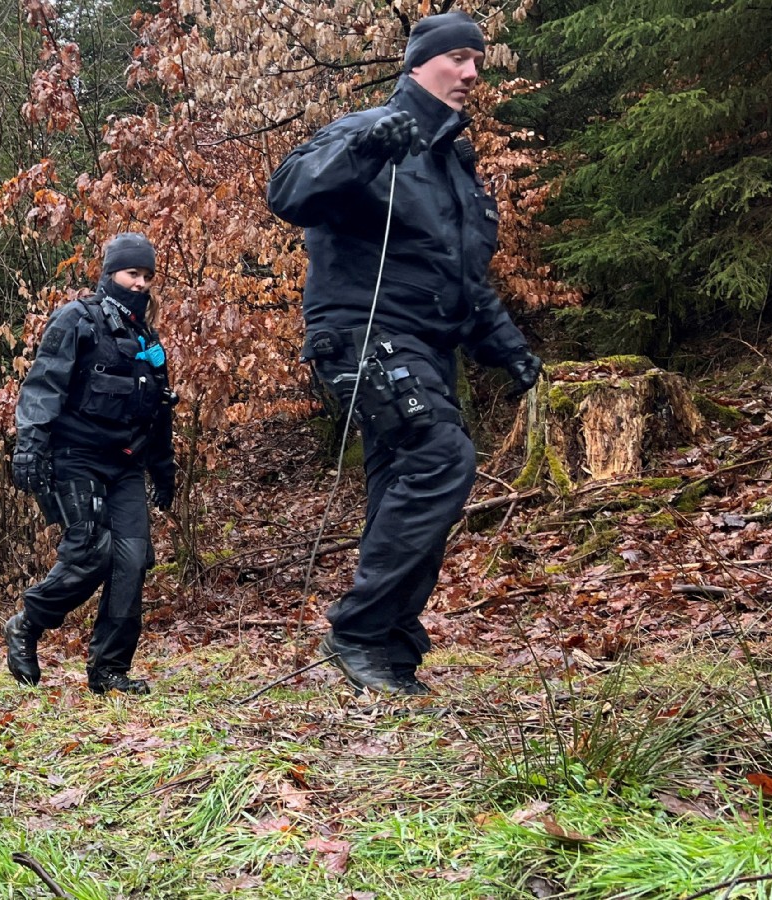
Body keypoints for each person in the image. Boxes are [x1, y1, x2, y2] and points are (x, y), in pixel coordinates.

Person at [267, 11, 542, 695]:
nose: (472, 73)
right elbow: (290, 192)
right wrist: (367, 150)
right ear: (419, 64)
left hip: (427, 344)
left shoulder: (454, 165)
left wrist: (510, 351)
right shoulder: (371, 129)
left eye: (478, 61)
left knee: (405, 483)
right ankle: (358, 629)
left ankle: (388, 648)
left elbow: (460, 278)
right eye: (456, 58)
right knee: (440, 455)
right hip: (363, 332)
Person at [6, 232, 178, 696]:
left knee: (132, 559)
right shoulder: (76, 320)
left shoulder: (148, 338)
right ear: (109, 274)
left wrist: (164, 469)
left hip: (126, 463)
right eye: (132, 273)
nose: (140, 283)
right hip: (74, 455)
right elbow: (43, 386)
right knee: (92, 550)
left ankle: (109, 670)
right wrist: (30, 445)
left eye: (147, 276)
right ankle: (27, 623)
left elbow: (158, 408)